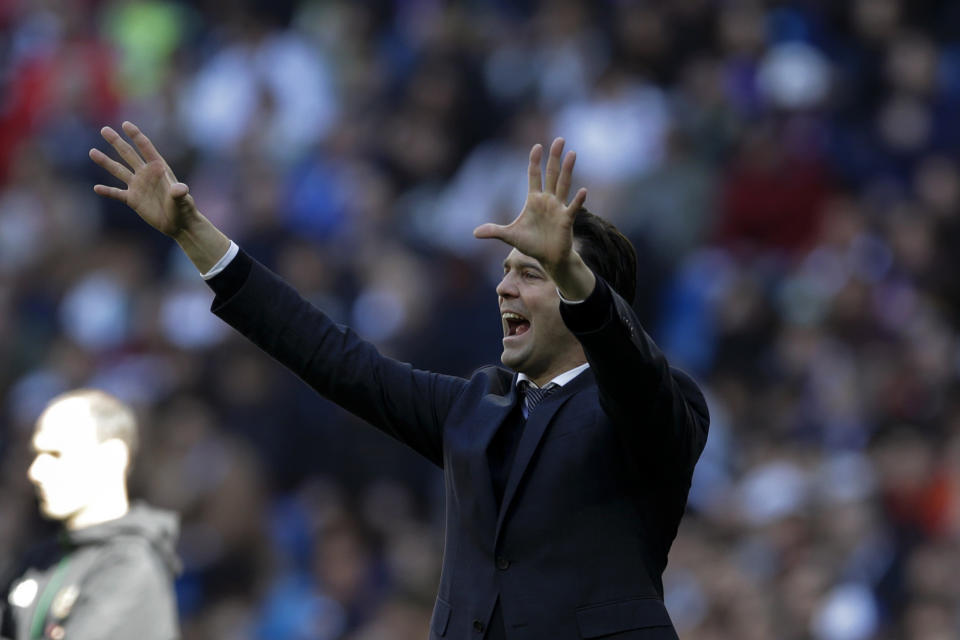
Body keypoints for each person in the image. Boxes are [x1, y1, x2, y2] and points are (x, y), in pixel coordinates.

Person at [89, 121, 709, 639]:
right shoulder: (476, 406)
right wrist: (196, 237)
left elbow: (633, 376)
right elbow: (335, 359)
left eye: (532, 272)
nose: (504, 287)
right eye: (506, 270)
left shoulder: (656, 405)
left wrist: (580, 284)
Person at [0, 390, 181, 640]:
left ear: (112, 457)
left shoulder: (132, 565)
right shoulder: (40, 559)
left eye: (55, 454)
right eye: (36, 455)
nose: (35, 471)